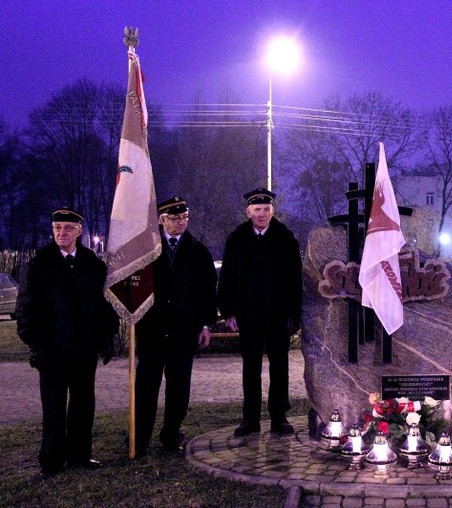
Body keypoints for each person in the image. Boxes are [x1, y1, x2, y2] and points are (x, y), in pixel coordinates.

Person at [15, 207, 119, 477]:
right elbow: (26, 309)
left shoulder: (92, 265)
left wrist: (108, 335)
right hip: (52, 350)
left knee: (84, 405)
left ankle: (80, 455)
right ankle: (51, 460)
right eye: (57, 227)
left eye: (68, 228)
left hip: (84, 349)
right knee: (53, 408)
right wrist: (36, 345)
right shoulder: (38, 265)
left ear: (79, 231)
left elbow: (98, 305)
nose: (62, 232)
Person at [134, 197, 217, 456]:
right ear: (161, 220)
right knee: (146, 386)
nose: (180, 222)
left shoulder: (198, 251)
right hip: (152, 331)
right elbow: (134, 287)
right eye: (174, 218)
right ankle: (140, 436)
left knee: (179, 387)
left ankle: (171, 434)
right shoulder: (146, 250)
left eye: (184, 218)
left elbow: (208, 292)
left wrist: (205, 324)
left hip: (183, 331)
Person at [218, 188, 303, 436]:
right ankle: (250, 420)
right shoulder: (237, 239)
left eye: (266, 209)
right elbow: (227, 279)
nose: (262, 214)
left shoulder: (286, 238)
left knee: (279, 368)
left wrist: (293, 315)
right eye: (257, 210)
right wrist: (229, 312)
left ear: (272, 211)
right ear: (248, 212)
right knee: (250, 368)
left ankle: (279, 418)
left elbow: (294, 281)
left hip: (278, 317)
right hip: (249, 316)